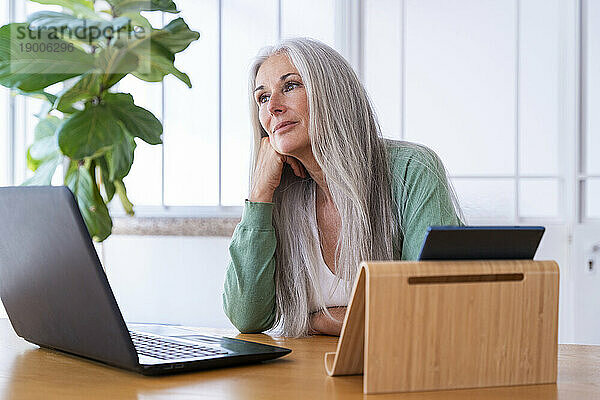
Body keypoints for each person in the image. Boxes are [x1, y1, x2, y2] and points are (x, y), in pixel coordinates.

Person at [223, 38, 462, 337]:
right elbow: (247, 317)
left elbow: (425, 308)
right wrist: (259, 197)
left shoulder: (412, 169)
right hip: (306, 374)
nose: (273, 107)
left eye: (291, 86)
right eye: (262, 97)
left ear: (332, 94)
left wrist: (314, 320)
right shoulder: (280, 192)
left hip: (397, 370)